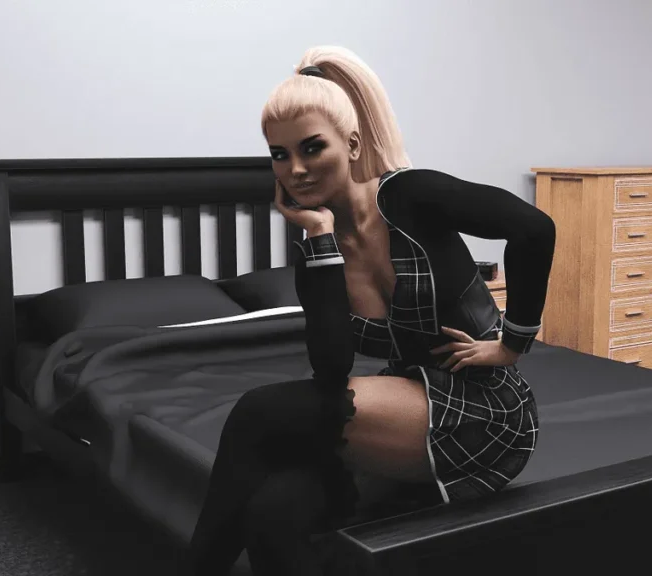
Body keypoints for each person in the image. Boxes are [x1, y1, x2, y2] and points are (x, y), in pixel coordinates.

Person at [183, 45, 556, 575]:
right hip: (407, 413)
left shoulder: (410, 195)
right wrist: (320, 238)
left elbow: (533, 228)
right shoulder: (317, 255)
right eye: (280, 155)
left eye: (312, 148)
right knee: (273, 512)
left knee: (258, 412)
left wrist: (512, 343)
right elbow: (332, 369)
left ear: (352, 144)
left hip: (488, 411)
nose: (296, 170)